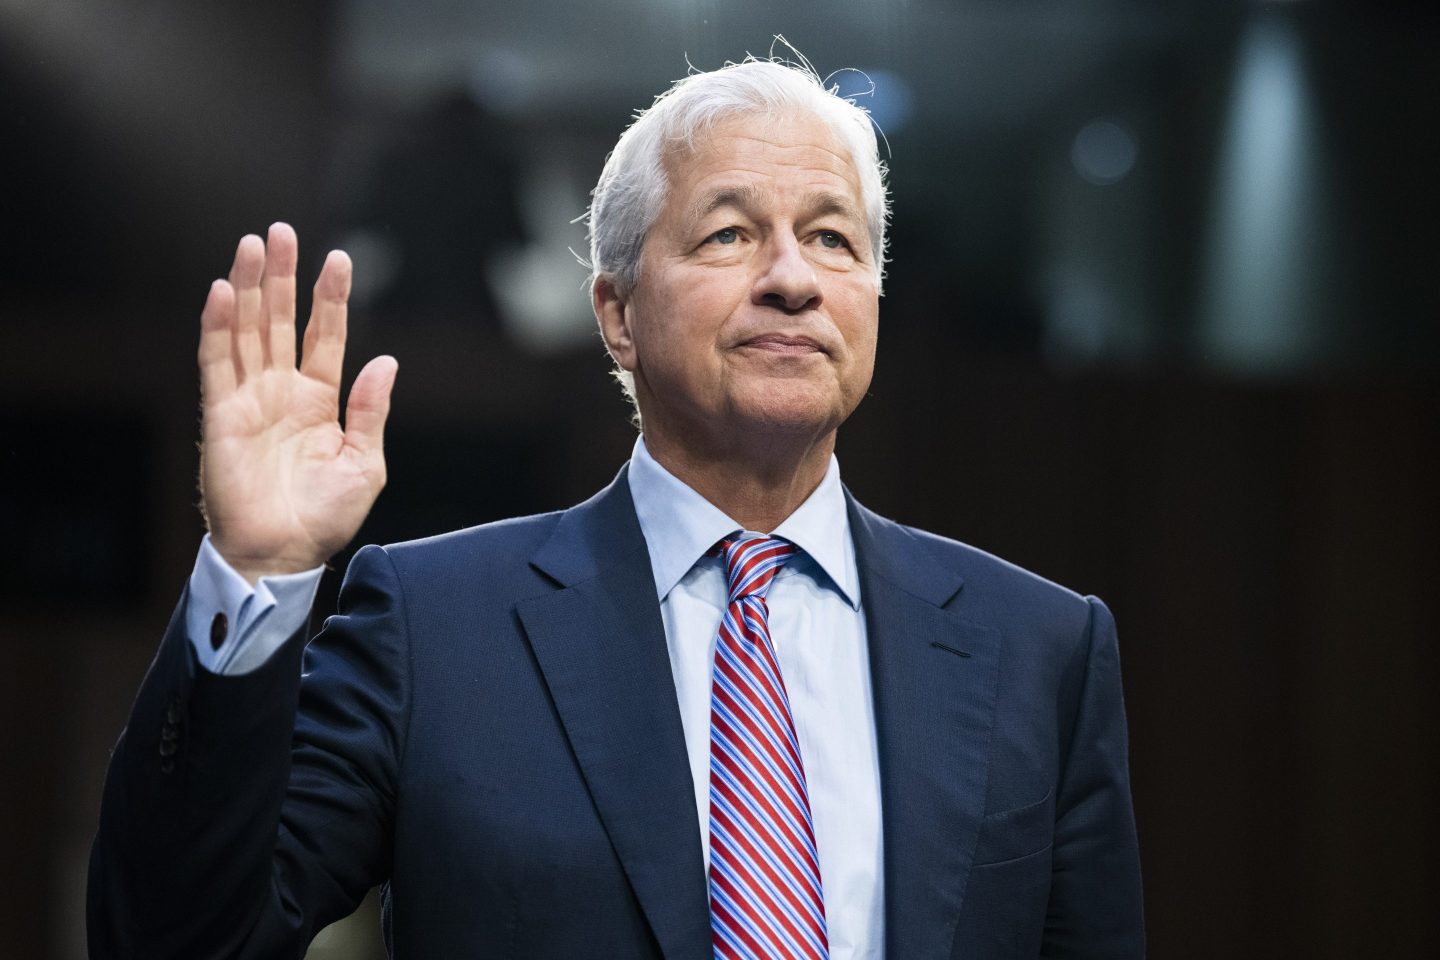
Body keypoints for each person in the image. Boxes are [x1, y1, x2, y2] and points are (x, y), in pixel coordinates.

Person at [88, 56, 1143, 959]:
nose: (793, 279)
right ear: (617, 314)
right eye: (730, 235)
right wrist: (258, 572)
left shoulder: (1038, 648)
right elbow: (183, 939)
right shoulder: (433, 626)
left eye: (833, 240)